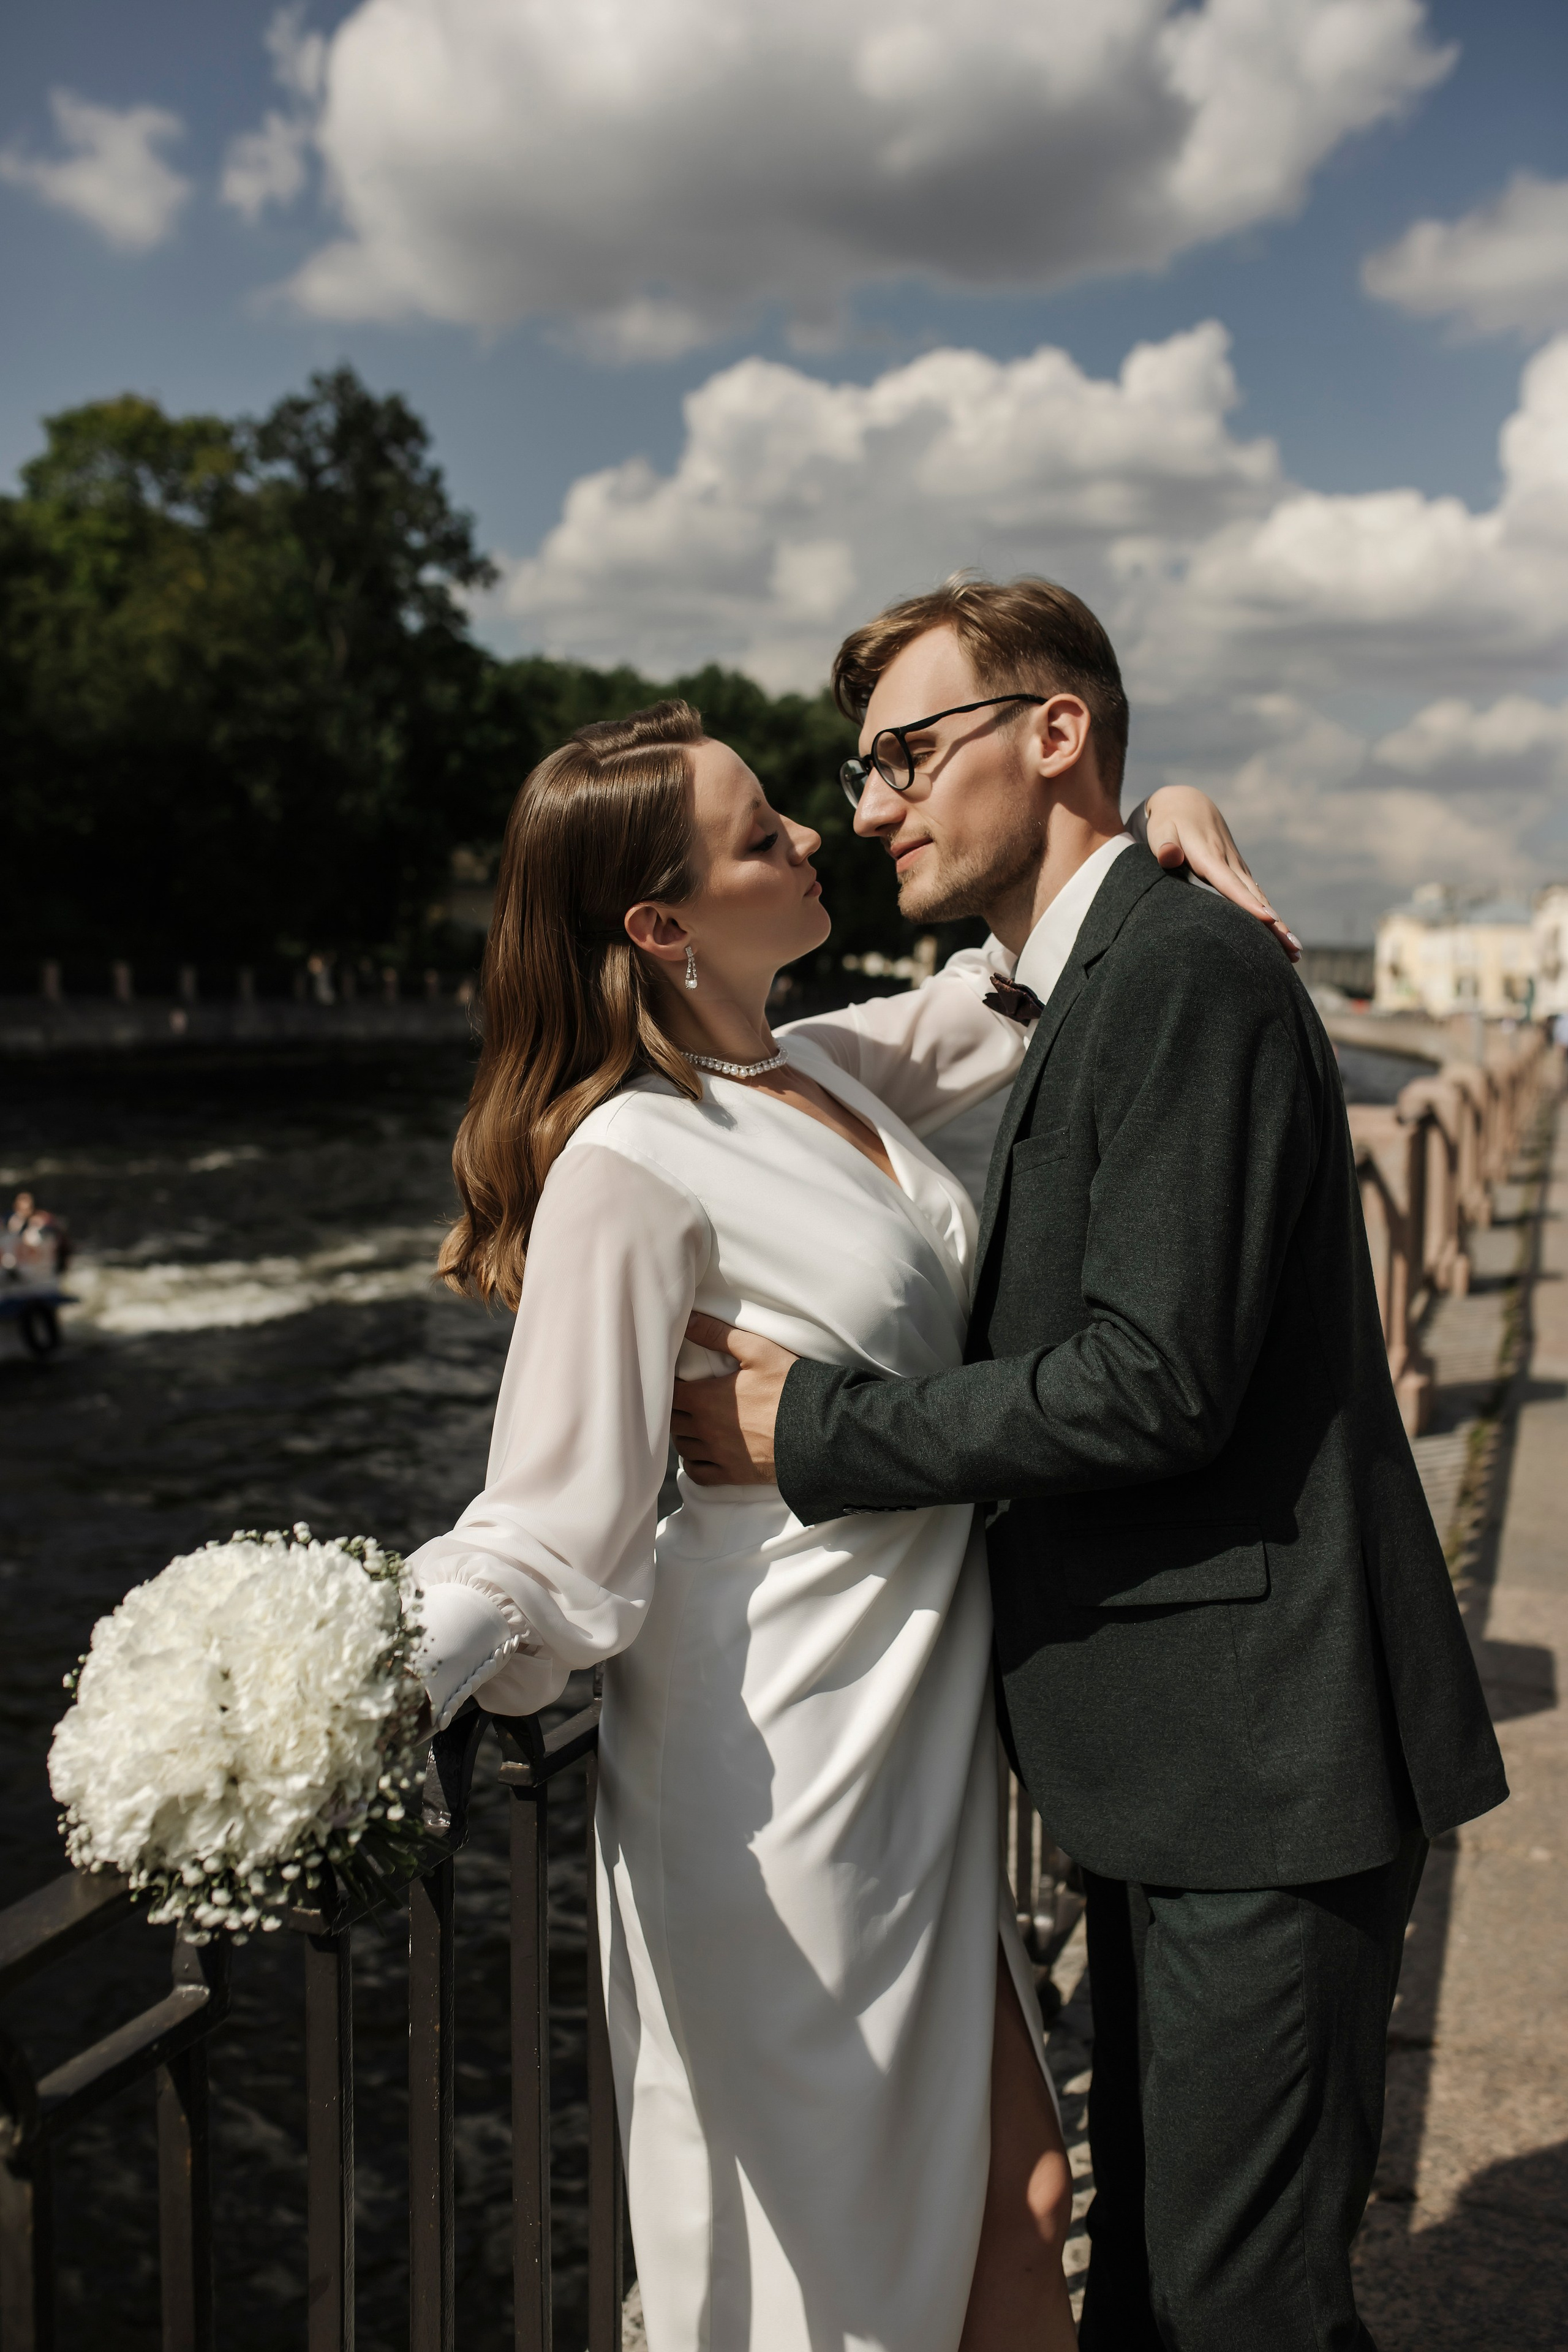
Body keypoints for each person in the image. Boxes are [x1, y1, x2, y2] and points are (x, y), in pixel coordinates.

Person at [674, 576, 1509, 2350]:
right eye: (867, 767)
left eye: (906, 753)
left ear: (1053, 733)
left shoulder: (1179, 971)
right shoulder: (1098, 972)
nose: (873, 806)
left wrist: (808, 1429)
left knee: (1235, 2307)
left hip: (1262, 1761)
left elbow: (1154, 1383)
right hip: (1186, 1759)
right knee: (1161, 2290)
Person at [405, 688, 1283, 2351]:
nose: (817, 832)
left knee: (1023, 2203)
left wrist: (1153, 823)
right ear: (662, 926)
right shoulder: (626, 1161)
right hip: (779, 1750)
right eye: (762, 835)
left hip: (911, 1727)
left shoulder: (812, 1067)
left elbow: (1025, 981)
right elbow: (549, 1520)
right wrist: (387, 1665)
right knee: (845, 2270)